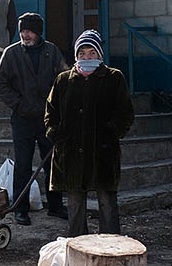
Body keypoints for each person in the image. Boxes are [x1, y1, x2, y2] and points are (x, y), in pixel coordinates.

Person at [45, 29, 134, 237]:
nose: (87, 58)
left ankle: (112, 246)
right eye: (82, 54)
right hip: (71, 153)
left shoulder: (113, 78)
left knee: (107, 203)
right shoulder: (64, 80)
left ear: (99, 55)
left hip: (102, 153)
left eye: (91, 53)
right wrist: (56, 134)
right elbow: (51, 112)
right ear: (76, 56)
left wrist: (109, 134)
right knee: (75, 204)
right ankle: (78, 247)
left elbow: (125, 114)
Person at [0, 13, 69, 226]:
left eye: (29, 31)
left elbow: (63, 79)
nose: (25, 35)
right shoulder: (11, 53)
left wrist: (56, 106)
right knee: (23, 165)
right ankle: (21, 209)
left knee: (53, 164)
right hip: (23, 119)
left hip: (48, 119)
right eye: (22, 31)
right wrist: (18, 104)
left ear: (38, 32)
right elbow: (0, 82)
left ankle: (55, 206)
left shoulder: (51, 51)